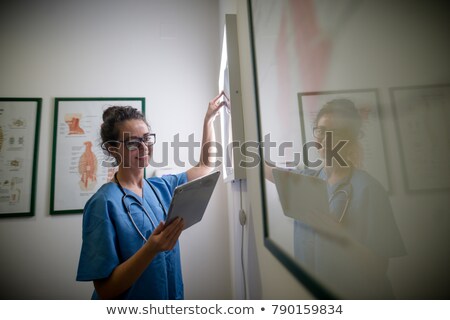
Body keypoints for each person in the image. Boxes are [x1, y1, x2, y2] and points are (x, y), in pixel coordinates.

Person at [76, 92, 227, 299]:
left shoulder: (161, 187)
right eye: (132, 143)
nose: (144, 147)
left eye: (147, 138)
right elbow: (105, 289)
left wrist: (209, 120)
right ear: (112, 149)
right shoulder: (103, 204)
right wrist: (151, 249)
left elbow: (205, 166)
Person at [267, 98, 406, 298]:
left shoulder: (369, 189)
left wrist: (340, 236)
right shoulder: (307, 180)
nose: (324, 139)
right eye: (320, 131)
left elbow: (378, 269)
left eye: (334, 133)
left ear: (348, 139)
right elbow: (267, 170)